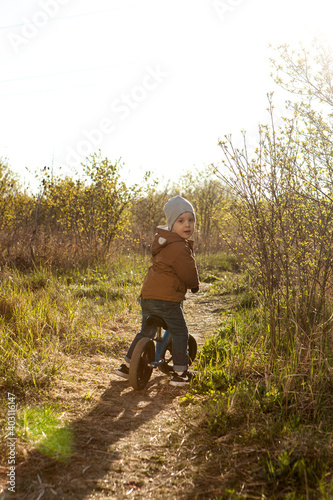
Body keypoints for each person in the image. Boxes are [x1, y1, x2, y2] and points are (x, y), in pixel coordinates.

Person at [116, 195, 200, 386]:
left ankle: (128, 365)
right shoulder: (179, 246)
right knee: (180, 332)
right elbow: (188, 270)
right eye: (181, 221)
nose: (187, 225)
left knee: (146, 331)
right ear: (171, 224)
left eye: (191, 220)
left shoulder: (163, 242)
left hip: (148, 297)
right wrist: (194, 284)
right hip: (167, 300)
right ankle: (180, 373)